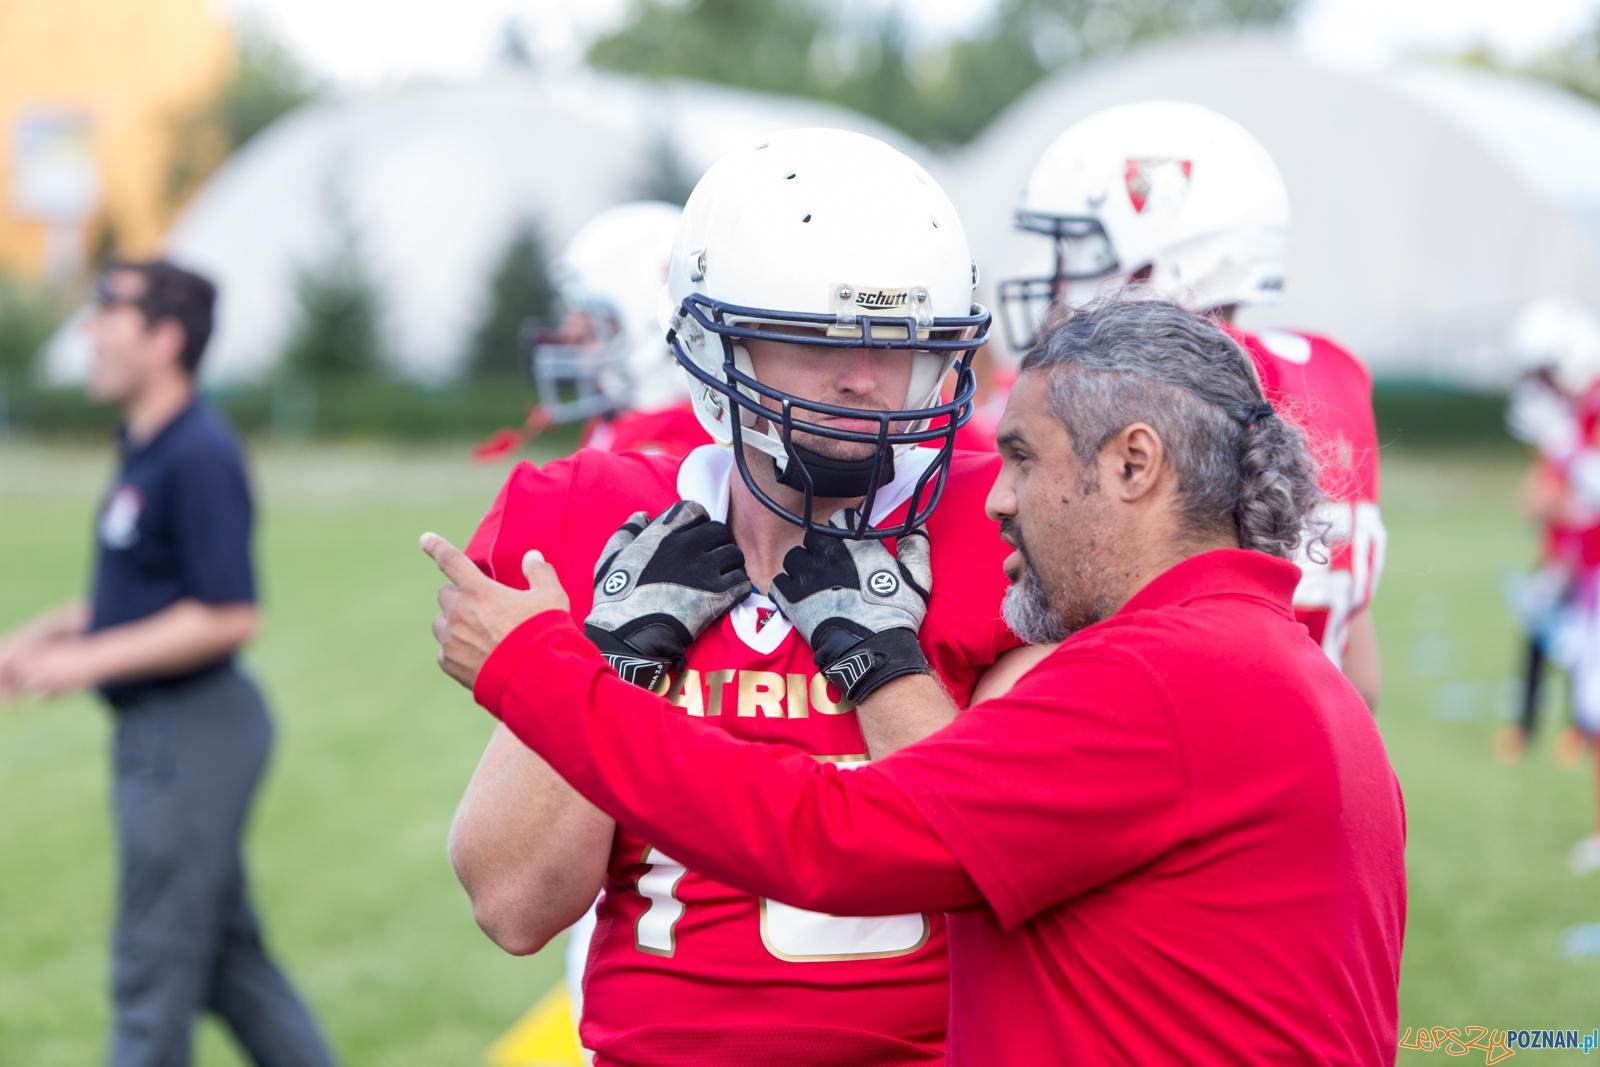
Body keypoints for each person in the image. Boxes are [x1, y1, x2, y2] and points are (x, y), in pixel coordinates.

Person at [424, 295, 1407, 1065]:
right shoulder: (1249, 658)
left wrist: (552, 669)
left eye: (1022, 458)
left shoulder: (1172, 679)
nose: (1001, 496)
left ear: (1133, 463)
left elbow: (828, 836)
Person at [444, 128, 1039, 1065]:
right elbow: (513, 902)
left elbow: (1004, 862)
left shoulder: (1005, 529)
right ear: (714, 342)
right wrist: (608, 664)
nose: (866, 380)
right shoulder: (602, 520)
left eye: (907, 345)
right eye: (817, 341)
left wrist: (887, 663)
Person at [0, 261, 339, 1067]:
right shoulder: (145, 446)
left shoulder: (199, 454)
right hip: (163, 731)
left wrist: (84, 661)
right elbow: (147, 593)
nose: (88, 330)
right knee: (229, 965)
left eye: (108, 312)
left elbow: (228, 612)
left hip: (192, 735)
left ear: (165, 340)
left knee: (152, 977)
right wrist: (46, 635)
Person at [999, 101, 1386, 708]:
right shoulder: (1335, 378)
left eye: (1079, 253)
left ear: (1156, 262)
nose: (1056, 284)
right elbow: (1361, 678)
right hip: (1310, 723)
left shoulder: (1135, 401)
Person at [474, 201, 711, 463]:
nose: (572, 346)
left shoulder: (678, 444)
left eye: (590, 332)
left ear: (653, 330)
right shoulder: (611, 423)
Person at [1497, 296, 1600, 768]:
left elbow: (1589, 493)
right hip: (1579, 559)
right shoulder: (1577, 414)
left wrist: (1560, 441)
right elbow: (1538, 499)